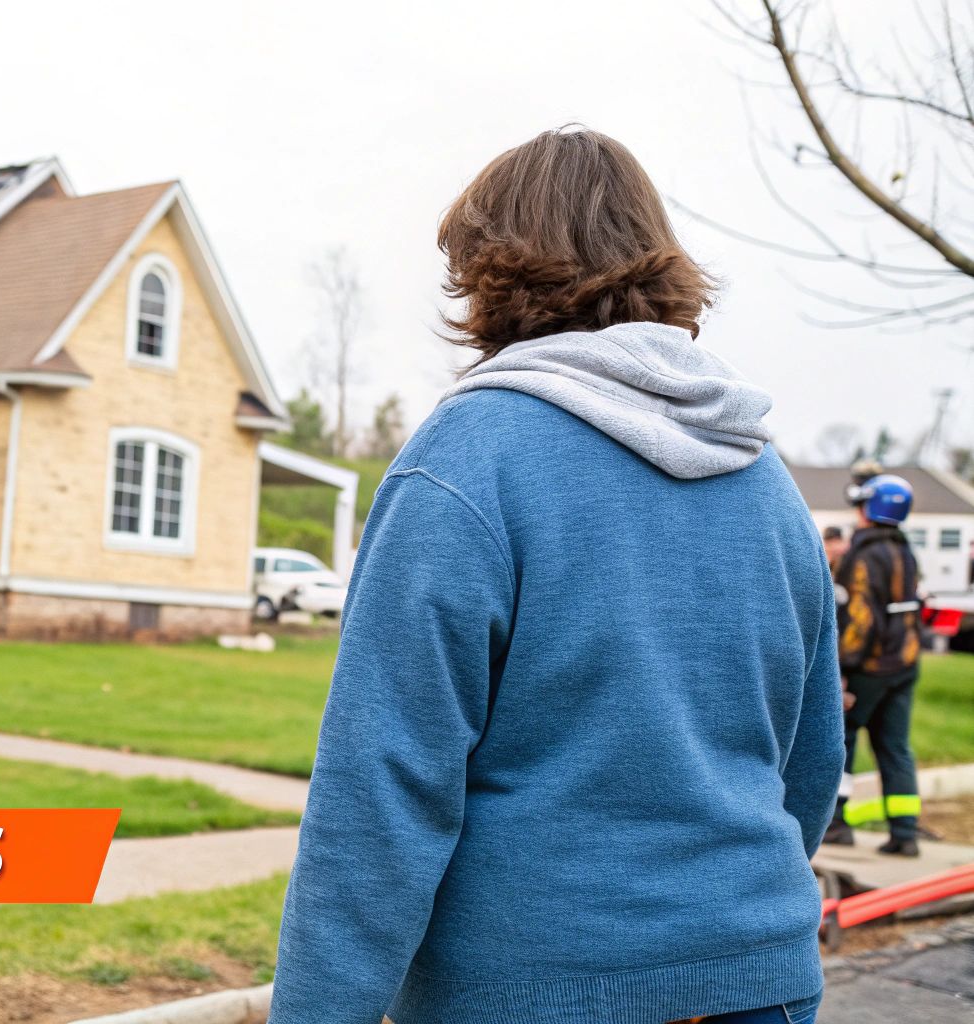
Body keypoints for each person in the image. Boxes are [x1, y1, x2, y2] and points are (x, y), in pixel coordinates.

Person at [271, 128, 841, 1024]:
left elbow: (381, 789)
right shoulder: (766, 481)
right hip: (756, 978)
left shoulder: (467, 461)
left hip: (533, 989)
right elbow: (811, 761)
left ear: (486, 270)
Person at [822, 474, 924, 856]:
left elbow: (858, 622)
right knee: (895, 747)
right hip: (905, 665)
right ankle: (905, 833)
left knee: (842, 739)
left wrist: (842, 668)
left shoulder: (862, 556)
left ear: (868, 509)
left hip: (869, 668)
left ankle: (836, 824)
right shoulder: (905, 552)